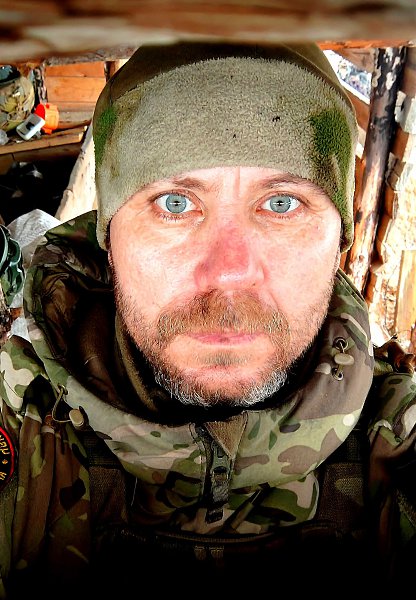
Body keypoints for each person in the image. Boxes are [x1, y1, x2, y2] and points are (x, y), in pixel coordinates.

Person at [0, 41, 415, 598]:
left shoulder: (400, 443)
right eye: (174, 203)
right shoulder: (19, 422)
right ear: (109, 239)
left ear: (339, 238)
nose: (229, 272)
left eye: (282, 203)